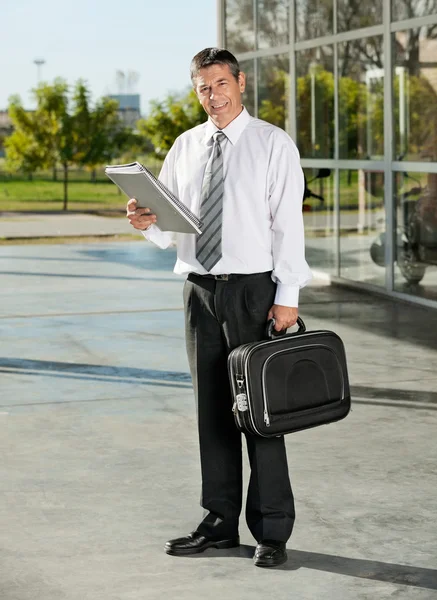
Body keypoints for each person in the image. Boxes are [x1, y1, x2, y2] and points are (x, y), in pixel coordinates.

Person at [126, 47, 312, 568]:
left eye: (220, 84)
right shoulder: (185, 146)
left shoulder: (272, 144)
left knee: (260, 413)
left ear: (240, 82)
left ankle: (272, 530)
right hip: (200, 292)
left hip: (254, 291)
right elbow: (172, 222)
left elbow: (287, 228)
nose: (213, 95)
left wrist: (287, 298)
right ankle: (220, 521)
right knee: (213, 411)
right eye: (203, 87)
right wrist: (147, 224)